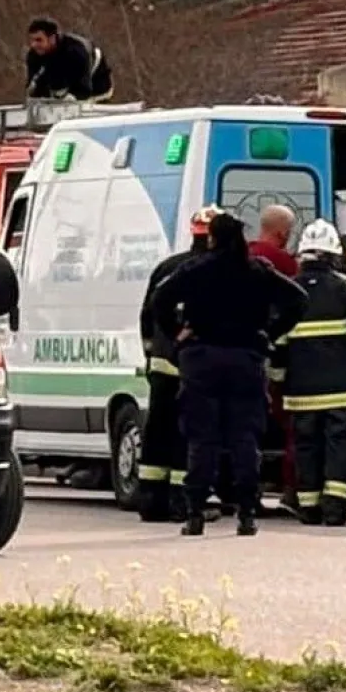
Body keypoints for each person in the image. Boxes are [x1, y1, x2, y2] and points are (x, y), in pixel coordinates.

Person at [150, 209, 308, 537]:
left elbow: (160, 298)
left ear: (212, 237)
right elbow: (298, 300)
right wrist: (269, 332)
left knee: (201, 437)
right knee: (244, 437)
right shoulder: (257, 271)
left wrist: (178, 332)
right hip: (246, 359)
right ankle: (247, 514)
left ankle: (194, 513)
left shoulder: (195, 270)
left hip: (201, 359)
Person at [268, 219, 346, 526]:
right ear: (334, 255)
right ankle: (335, 510)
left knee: (306, 447)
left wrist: (277, 383)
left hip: (302, 393)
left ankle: (309, 507)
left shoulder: (287, 291)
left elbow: (277, 345)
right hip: (345, 392)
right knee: (340, 448)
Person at [136, 207, 213, 523]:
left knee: (156, 432)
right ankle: (182, 503)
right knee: (188, 435)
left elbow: (146, 315)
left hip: (161, 364)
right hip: (192, 366)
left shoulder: (167, 267)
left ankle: (150, 502)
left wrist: (151, 352)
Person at [248, 205, 300, 513]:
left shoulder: (242, 256)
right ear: (283, 233)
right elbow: (297, 301)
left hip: (242, 351)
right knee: (291, 424)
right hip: (273, 356)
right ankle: (290, 489)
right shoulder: (283, 263)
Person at [26, 18, 113, 102]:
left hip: (97, 88)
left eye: (39, 40)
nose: (34, 45)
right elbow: (34, 89)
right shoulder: (34, 55)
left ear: (52, 38)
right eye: (32, 40)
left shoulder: (75, 52)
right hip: (64, 89)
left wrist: (70, 97)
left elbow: (84, 90)